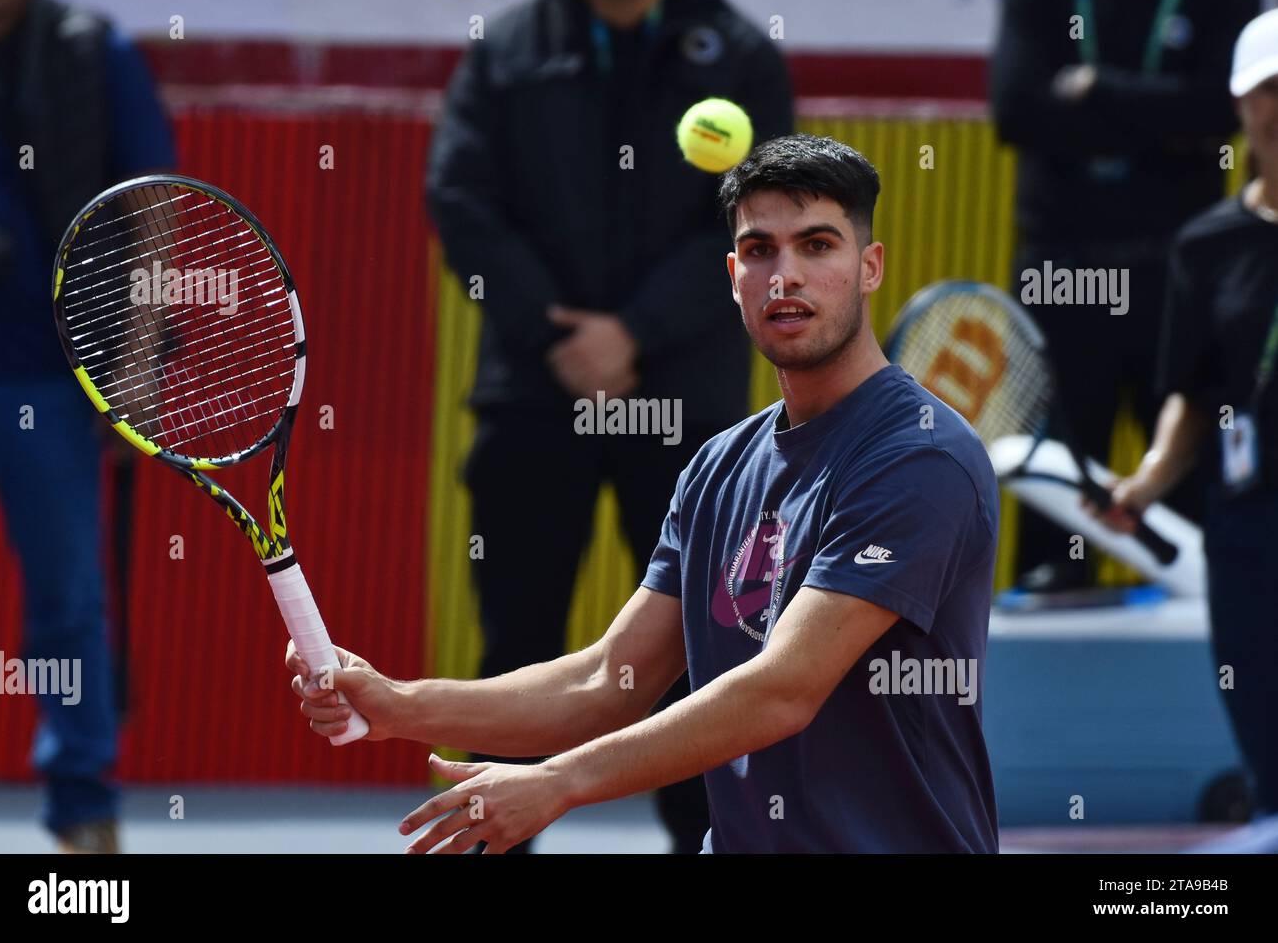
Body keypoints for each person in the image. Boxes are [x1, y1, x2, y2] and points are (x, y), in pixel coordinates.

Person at [292, 134, 1000, 853]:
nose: (785, 276)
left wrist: (557, 782)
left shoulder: (919, 458)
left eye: (818, 245)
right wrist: (399, 704)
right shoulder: (718, 469)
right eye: (759, 251)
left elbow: (784, 688)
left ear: (869, 266)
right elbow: (610, 679)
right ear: (733, 274)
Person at [425, 0, 792, 852]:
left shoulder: (739, 54)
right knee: (517, 646)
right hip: (533, 392)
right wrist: (555, 331)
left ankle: (711, 845)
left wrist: (635, 332)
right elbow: (461, 200)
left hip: (685, 409)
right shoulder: (508, 50)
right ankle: (488, 840)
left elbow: (762, 220)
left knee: (699, 654)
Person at [0, 0, 175, 852]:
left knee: (68, 601)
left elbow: (156, 210)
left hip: (53, 378)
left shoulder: (92, 51)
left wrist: (135, 356)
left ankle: (82, 806)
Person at [991, 0, 1259, 591]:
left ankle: (1212, 648)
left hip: (1178, 267)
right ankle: (1056, 653)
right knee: (1056, 508)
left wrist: (1096, 90)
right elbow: (1017, 111)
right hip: (1062, 270)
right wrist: (1160, 125)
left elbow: (1220, 111)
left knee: (1194, 489)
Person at [1094, 7, 1278, 822]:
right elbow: (1194, 396)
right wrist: (1147, 481)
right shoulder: (1206, 244)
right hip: (1250, 525)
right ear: (1241, 105)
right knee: (1265, 734)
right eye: (1268, 89)